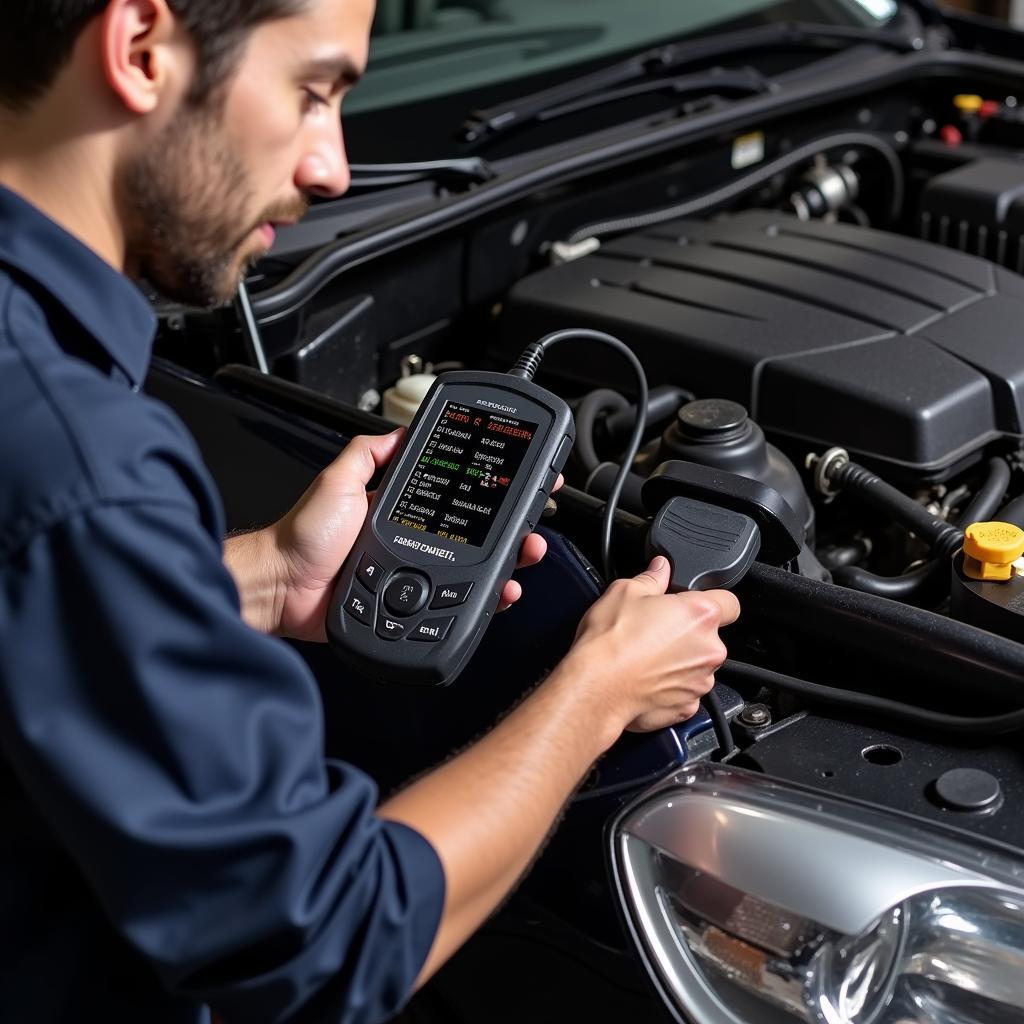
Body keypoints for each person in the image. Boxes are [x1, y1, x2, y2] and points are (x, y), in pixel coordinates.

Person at [0, 2, 740, 1022]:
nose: (331, 168)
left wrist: (261, 574)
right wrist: (598, 694)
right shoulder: (86, 458)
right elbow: (326, 934)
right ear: (138, 48)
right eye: (312, 93)